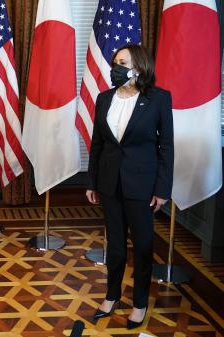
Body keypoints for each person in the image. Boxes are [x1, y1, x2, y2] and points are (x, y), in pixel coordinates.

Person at [86, 44, 174, 329]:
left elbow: (166, 147)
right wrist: (92, 181)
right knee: (115, 248)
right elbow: (97, 144)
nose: (116, 67)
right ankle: (111, 296)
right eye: (115, 62)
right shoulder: (103, 98)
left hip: (143, 187)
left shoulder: (159, 99)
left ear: (139, 67)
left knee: (143, 247)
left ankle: (139, 303)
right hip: (109, 184)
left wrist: (162, 189)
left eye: (122, 62)